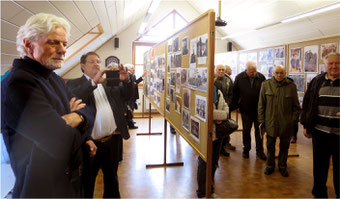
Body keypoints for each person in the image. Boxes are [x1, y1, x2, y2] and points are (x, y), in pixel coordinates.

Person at [1, 13, 95, 198]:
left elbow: (89, 111)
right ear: (28, 44)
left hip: (68, 185)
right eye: (53, 43)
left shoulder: (54, 78)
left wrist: (77, 117)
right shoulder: (18, 84)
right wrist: (77, 123)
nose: (62, 50)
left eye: (64, 44)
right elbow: (61, 142)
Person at [67, 52, 132, 198]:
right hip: (90, 144)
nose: (97, 64)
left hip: (112, 140)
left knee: (112, 179)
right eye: (92, 61)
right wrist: (93, 82)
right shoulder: (73, 84)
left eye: (98, 61)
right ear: (83, 66)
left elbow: (127, 96)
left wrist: (126, 80)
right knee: (87, 182)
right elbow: (76, 97)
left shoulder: (108, 82)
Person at [300, 52, 339, 198]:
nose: (334, 66)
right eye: (331, 63)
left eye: (338, 63)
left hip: (339, 134)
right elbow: (307, 104)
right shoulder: (317, 81)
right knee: (320, 167)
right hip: (320, 133)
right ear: (325, 65)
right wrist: (306, 125)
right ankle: (319, 194)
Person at [258, 65, 300, 177]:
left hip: (286, 124)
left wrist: (292, 120)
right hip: (270, 122)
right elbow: (261, 104)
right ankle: (270, 165)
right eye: (277, 73)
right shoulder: (266, 85)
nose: (279, 75)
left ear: (285, 73)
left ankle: (282, 166)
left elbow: (296, 106)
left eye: (281, 73)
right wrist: (262, 120)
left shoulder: (291, 86)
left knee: (284, 147)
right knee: (270, 145)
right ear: (273, 73)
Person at [196, 84, 229, 198]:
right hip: (205, 133)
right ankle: (202, 192)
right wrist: (221, 116)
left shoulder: (218, 91)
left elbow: (226, 107)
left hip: (217, 134)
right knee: (204, 162)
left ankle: (210, 190)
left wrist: (221, 116)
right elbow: (208, 112)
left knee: (214, 161)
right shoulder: (200, 90)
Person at [232, 61, 267, 160]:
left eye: (255, 71)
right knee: (246, 131)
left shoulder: (261, 77)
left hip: (258, 110)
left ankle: (259, 151)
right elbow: (235, 93)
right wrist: (236, 106)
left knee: (259, 131)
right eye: (251, 72)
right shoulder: (239, 78)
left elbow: (264, 93)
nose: (253, 74)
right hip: (245, 109)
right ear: (246, 70)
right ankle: (246, 150)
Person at [214, 64, 234, 157]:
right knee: (217, 129)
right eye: (219, 70)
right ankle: (217, 148)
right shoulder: (214, 80)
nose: (221, 71)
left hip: (226, 108)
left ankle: (223, 147)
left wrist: (227, 104)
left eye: (223, 70)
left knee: (225, 128)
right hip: (216, 110)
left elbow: (231, 94)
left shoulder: (228, 80)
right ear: (216, 70)